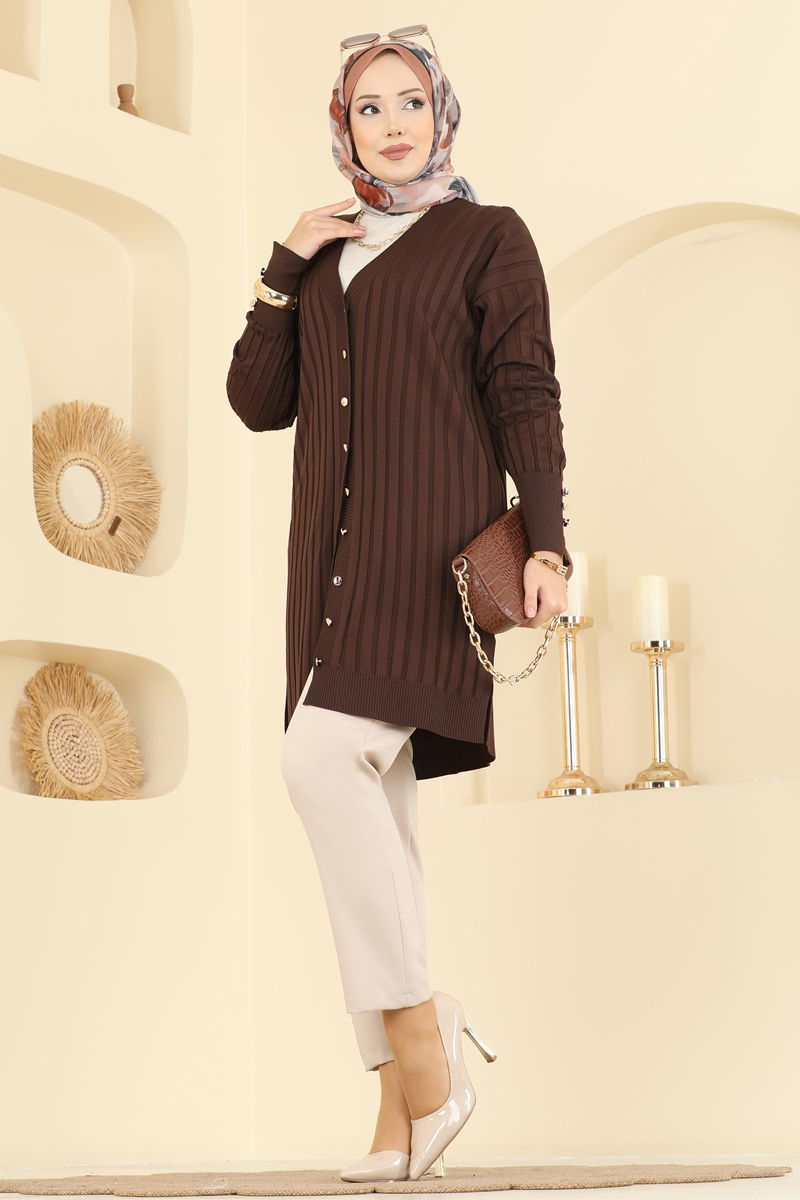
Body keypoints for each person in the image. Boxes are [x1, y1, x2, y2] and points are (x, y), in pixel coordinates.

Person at [226, 30, 573, 1183]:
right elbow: (256, 401)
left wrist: (547, 541)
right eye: (367, 107)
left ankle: (422, 1039)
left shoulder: (486, 236)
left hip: (427, 568)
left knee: (316, 763)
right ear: (342, 125)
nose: (391, 124)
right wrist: (282, 266)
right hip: (326, 577)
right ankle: (398, 1112)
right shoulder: (325, 254)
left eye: (409, 101)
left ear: (441, 114)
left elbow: (522, 390)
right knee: (376, 826)